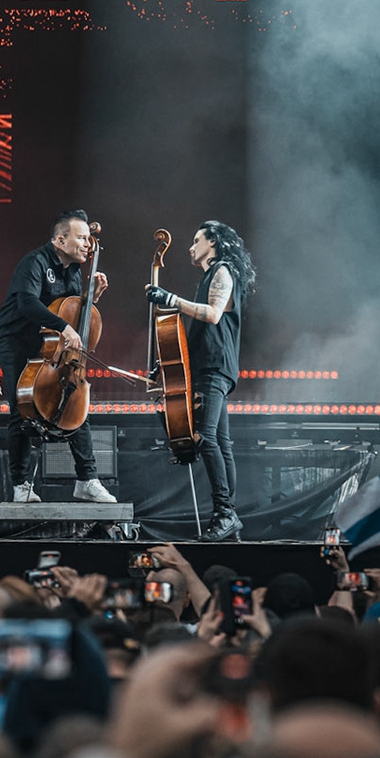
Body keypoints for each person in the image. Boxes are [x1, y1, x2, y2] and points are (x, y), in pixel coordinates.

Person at [0, 210, 118, 504]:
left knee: (74, 402)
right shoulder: (34, 262)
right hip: (17, 344)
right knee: (23, 412)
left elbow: (68, 309)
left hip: (51, 350)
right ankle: (21, 486)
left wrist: (91, 300)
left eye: (89, 239)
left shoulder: (73, 270)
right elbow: (28, 303)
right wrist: (64, 327)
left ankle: (87, 480)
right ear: (60, 240)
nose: (88, 244)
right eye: (81, 238)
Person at [147, 221, 254, 541]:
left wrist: (169, 298)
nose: (191, 246)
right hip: (210, 365)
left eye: (197, 240)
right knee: (221, 442)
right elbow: (195, 332)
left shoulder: (222, 270)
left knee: (205, 436)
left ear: (214, 242)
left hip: (215, 366)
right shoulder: (211, 275)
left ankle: (225, 513)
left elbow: (213, 314)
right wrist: (163, 363)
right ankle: (229, 517)